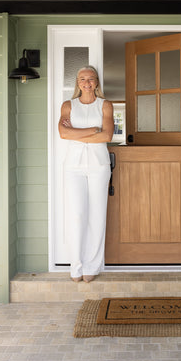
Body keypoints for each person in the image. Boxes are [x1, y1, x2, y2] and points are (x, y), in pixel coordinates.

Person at [58, 66, 114, 283]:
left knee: (97, 216)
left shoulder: (105, 105)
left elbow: (107, 135)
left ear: (97, 82)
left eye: (91, 78)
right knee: (76, 215)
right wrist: (93, 130)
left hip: (99, 165)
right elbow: (63, 133)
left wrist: (77, 133)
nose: (87, 82)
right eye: (82, 78)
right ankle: (76, 266)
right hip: (73, 166)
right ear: (77, 82)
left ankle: (92, 265)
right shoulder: (68, 105)